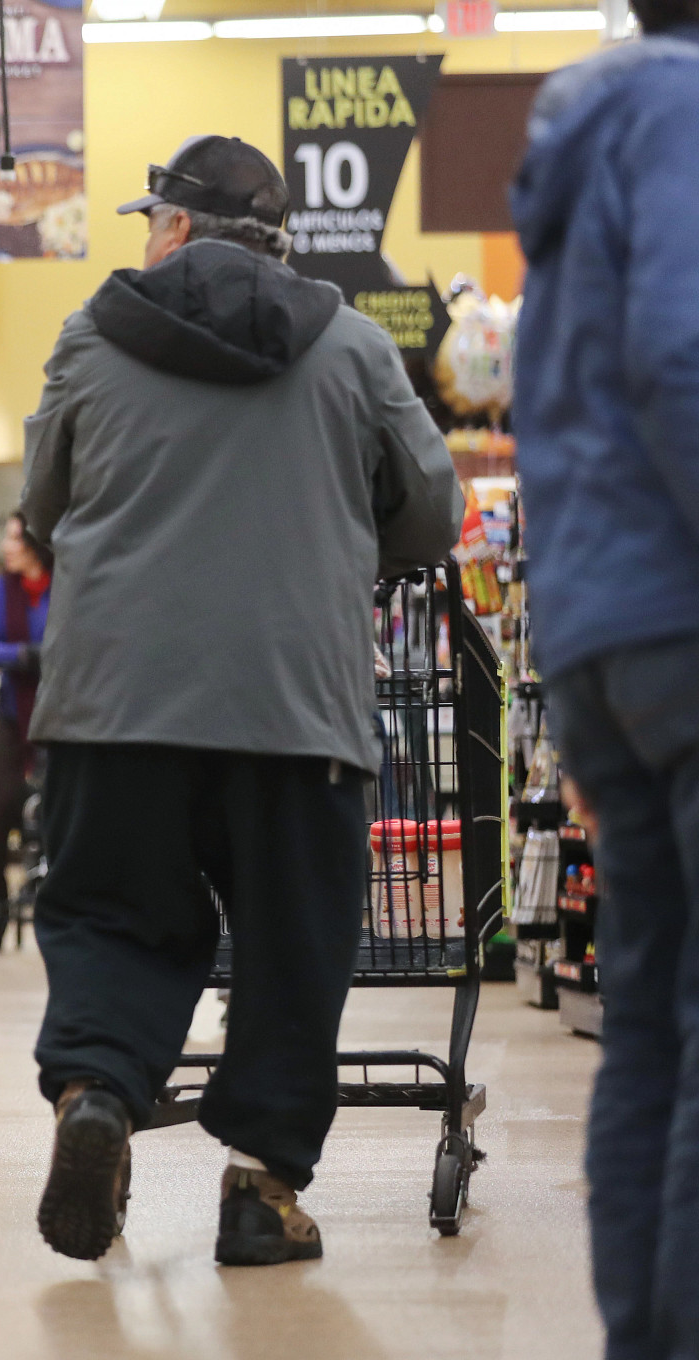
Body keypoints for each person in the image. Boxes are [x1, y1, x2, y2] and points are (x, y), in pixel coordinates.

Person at [18, 135, 460, 1266]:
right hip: (294, 707)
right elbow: (430, 515)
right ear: (278, 242)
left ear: (173, 229)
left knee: (111, 914)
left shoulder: (90, 336)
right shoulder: (353, 346)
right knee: (292, 947)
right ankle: (261, 1190)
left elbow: (45, 506)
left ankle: (97, 1093)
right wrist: (334, 538)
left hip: (114, 702)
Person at [512, 10, 699, 1355]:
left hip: (594, 627)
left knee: (647, 1016)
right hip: (680, 612)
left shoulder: (581, 134)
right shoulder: (681, 114)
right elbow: (681, 354)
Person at [0, 511, 51, 951]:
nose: (6, 546)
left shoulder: (64, 587)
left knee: (62, 814)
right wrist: (28, 655)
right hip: (12, 718)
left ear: (37, 544)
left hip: (60, 717)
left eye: (15, 538)